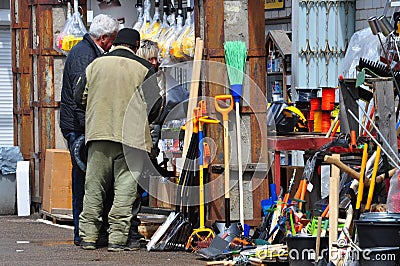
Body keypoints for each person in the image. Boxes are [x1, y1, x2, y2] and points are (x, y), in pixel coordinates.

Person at [77, 28, 162, 252]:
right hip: (131, 141)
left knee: (94, 188)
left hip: (99, 134)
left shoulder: (95, 64)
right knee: (125, 191)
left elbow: (79, 96)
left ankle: (88, 237)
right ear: (136, 47)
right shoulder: (144, 68)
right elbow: (155, 108)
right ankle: (117, 240)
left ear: (115, 43)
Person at [59, 14, 120, 246]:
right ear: (103, 38)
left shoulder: (87, 52)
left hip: (81, 125)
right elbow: (80, 98)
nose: (113, 44)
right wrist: (92, 128)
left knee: (91, 179)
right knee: (85, 180)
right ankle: (83, 233)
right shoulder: (84, 55)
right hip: (80, 128)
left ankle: (90, 231)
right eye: (112, 39)